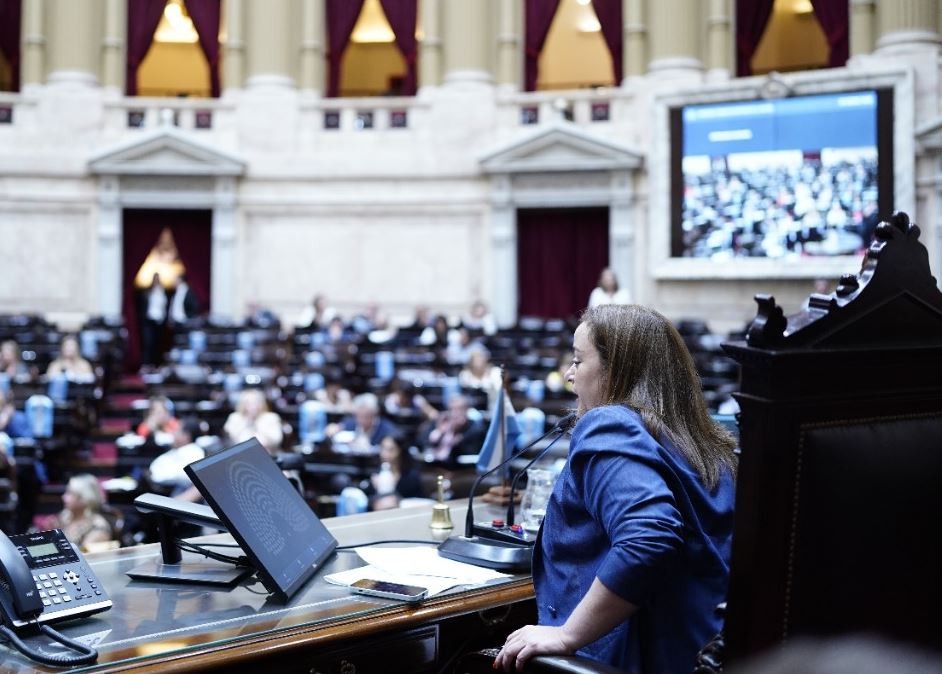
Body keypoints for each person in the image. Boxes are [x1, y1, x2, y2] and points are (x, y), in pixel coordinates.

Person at [495, 304, 737, 673]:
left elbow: (649, 537)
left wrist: (567, 635)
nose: (569, 375)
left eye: (578, 361)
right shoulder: (706, 443)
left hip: (633, 658)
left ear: (615, 372)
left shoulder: (608, 424)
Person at [45, 474, 114, 551]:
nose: (63, 497)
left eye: (70, 493)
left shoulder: (98, 526)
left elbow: (84, 556)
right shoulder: (65, 517)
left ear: (85, 498)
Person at [419, 394, 486, 466]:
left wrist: (456, 433)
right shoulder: (440, 422)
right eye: (453, 409)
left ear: (467, 410)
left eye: (460, 409)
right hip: (436, 466)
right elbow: (424, 442)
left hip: (464, 469)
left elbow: (469, 450)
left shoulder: (474, 428)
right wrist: (440, 431)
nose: (456, 413)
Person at [368, 433, 426, 511]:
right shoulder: (378, 472)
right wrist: (378, 490)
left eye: (391, 450)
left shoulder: (411, 475)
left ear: (400, 450)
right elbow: (370, 501)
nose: (385, 454)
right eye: (383, 448)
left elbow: (416, 501)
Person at [328, 393, 397, 453]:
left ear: (375, 414)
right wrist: (332, 429)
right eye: (359, 416)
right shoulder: (350, 423)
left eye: (366, 416)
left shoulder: (387, 429)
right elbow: (333, 429)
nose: (362, 421)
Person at [223, 389, 284, 454]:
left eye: (256, 402)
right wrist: (247, 421)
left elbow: (276, 440)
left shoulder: (271, 417)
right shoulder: (235, 417)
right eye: (249, 403)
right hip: (241, 455)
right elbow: (232, 439)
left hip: (267, 454)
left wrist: (257, 424)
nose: (253, 406)